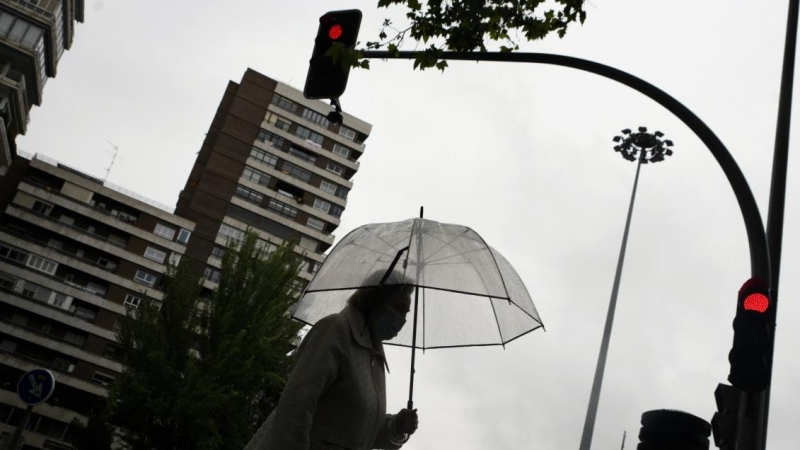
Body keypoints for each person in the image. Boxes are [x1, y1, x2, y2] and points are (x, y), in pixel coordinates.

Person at [244, 273, 420, 450]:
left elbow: (355, 434)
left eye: (406, 313)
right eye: (399, 308)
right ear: (376, 299)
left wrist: (395, 426)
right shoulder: (336, 330)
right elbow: (296, 405)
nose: (402, 319)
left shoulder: (375, 358)